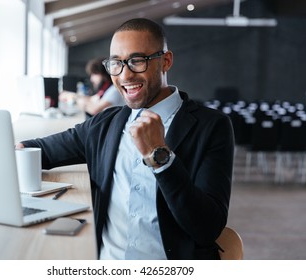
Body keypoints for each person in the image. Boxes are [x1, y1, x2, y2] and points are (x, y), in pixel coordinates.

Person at [17, 18, 234, 260]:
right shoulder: (105, 124)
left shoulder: (211, 126)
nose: (125, 74)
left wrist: (160, 156)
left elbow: (207, 228)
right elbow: (40, 150)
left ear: (166, 61)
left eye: (137, 61)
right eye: (116, 64)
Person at [60, 57, 125, 118]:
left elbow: (94, 110)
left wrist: (75, 100)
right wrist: (73, 95)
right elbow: (92, 99)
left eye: (94, 74)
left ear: (104, 74)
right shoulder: (105, 88)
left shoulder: (114, 90)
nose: (92, 79)